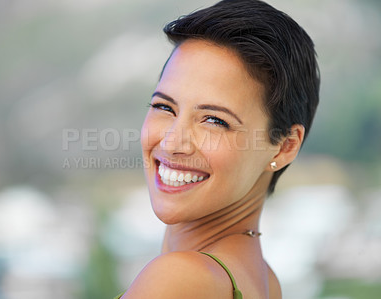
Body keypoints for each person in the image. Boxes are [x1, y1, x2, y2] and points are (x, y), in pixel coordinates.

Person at [115, 0, 319, 298]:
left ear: (283, 147)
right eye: (164, 106)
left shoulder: (178, 280)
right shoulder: (265, 281)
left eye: (214, 120)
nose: (172, 142)